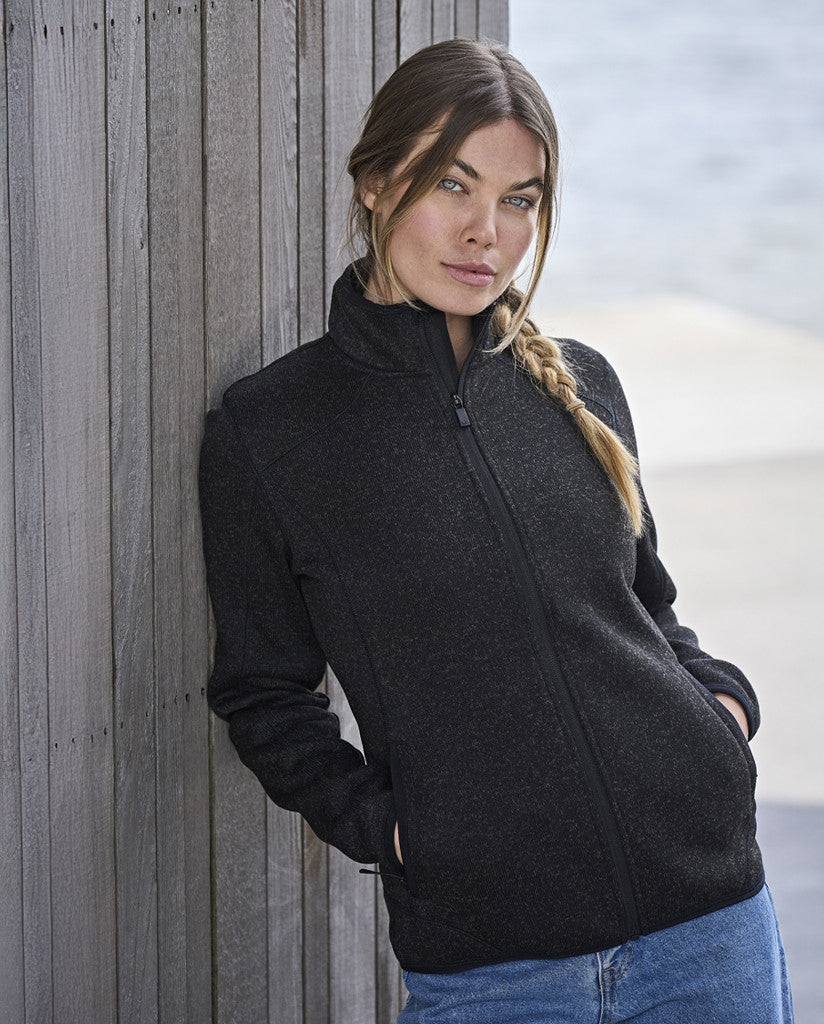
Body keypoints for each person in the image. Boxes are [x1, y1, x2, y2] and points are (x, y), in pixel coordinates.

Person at [199, 38, 793, 1023]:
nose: (486, 231)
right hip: (494, 966)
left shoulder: (581, 384)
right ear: (376, 182)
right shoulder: (272, 431)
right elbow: (263, 695)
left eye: (520, 199)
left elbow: (647, 609)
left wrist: (720, 714)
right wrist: (396, 832)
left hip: (709, 924)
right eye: (453, 184)